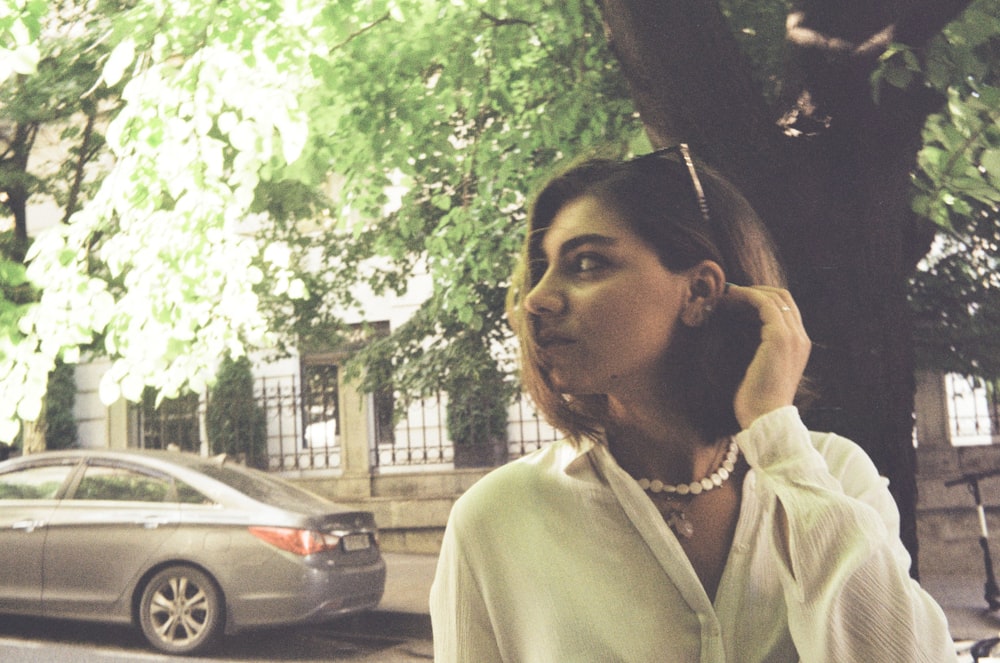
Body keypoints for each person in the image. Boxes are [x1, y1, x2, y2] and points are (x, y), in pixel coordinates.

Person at [429, 145, 956, 662]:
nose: (536, 299)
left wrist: (777, 436)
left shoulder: (835, 478)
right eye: (541, 269)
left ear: (701, 291)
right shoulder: (496, 521)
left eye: (586, 263)